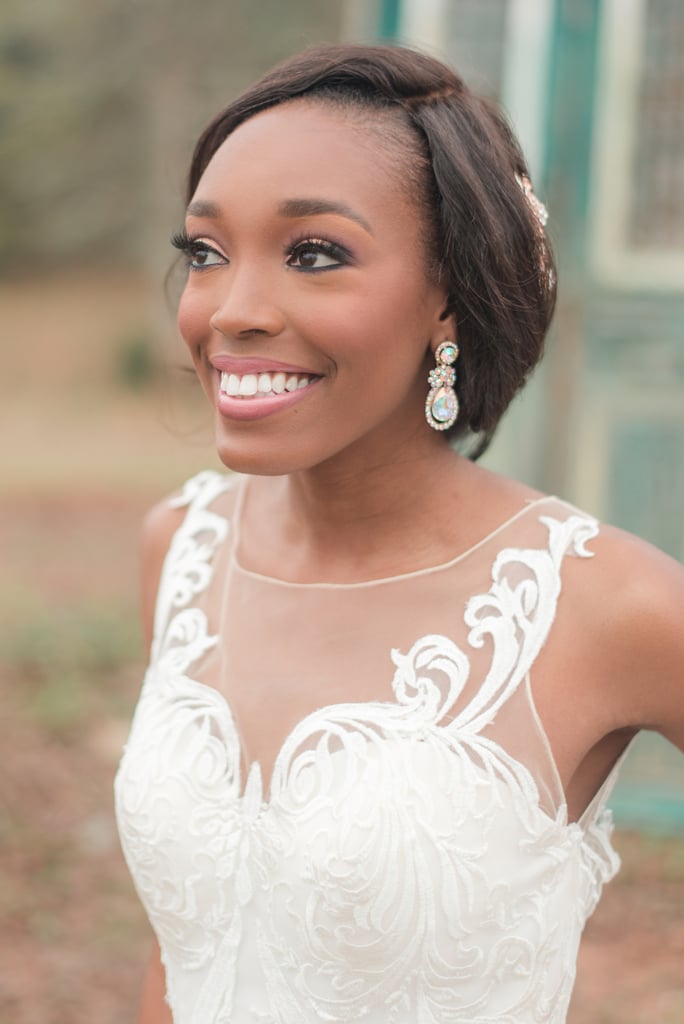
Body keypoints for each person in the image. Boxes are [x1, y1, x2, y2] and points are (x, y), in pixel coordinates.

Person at [114, 43, 684, 1024]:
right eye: (205, 252)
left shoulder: (611, 606)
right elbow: (189, 944)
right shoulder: (180, 548)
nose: (231, 311)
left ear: (449, 300)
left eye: (315, 253)